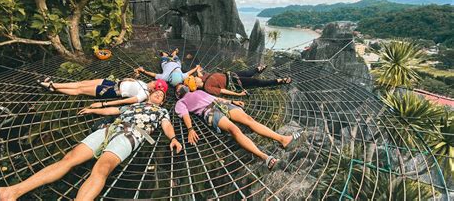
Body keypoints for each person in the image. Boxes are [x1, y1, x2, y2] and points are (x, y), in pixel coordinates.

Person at [0, 89, 182, 201]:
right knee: (68, 159)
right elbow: (113, 112)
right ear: (149, 95)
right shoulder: (133, 105)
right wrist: (93, 110)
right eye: (155, 93)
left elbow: (167, 126)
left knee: (101, 168)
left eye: (161, 96)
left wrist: (172, 138)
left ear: (162, 103)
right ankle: (9, 193)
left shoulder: (161, 112)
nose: (158, 95)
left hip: (131, 135)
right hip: (109, 129)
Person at [173, 84, 306, 171]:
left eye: (182, 85)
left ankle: (284, 139)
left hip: (219, 105)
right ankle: (265, 158)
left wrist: (232, 101)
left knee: (249, 119)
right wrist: (190, 129)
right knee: (234, 129)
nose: (182, 87)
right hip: (209, 112)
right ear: (177, 94)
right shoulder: (180, 102)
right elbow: (185, 115)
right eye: (179, 88)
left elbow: (215, 98)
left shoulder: (199, 92)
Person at [38, 75, 168, 107]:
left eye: (155, 83)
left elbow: (129, 100)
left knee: (80, 90)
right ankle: (53, 85)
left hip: (112, 91)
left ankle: (52, 85)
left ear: (154, 88)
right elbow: (132, 82)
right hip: (112, 83)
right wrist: (129, 79)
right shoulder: (144, 84)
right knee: (82, 83)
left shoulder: (144, 94)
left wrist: (104, 104)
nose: (152, 81)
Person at [185, 65, 291, 97]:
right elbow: (223, 91)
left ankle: (257, 69)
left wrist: (198, 69)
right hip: (233, 82)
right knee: (256, 82)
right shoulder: (207, 88)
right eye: (194, 79)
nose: (195, 77)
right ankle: (278, 81)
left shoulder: (202, 78)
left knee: (248, 72)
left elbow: (200, 74)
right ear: (196, 84)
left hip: (231, 75)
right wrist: (238, 94)